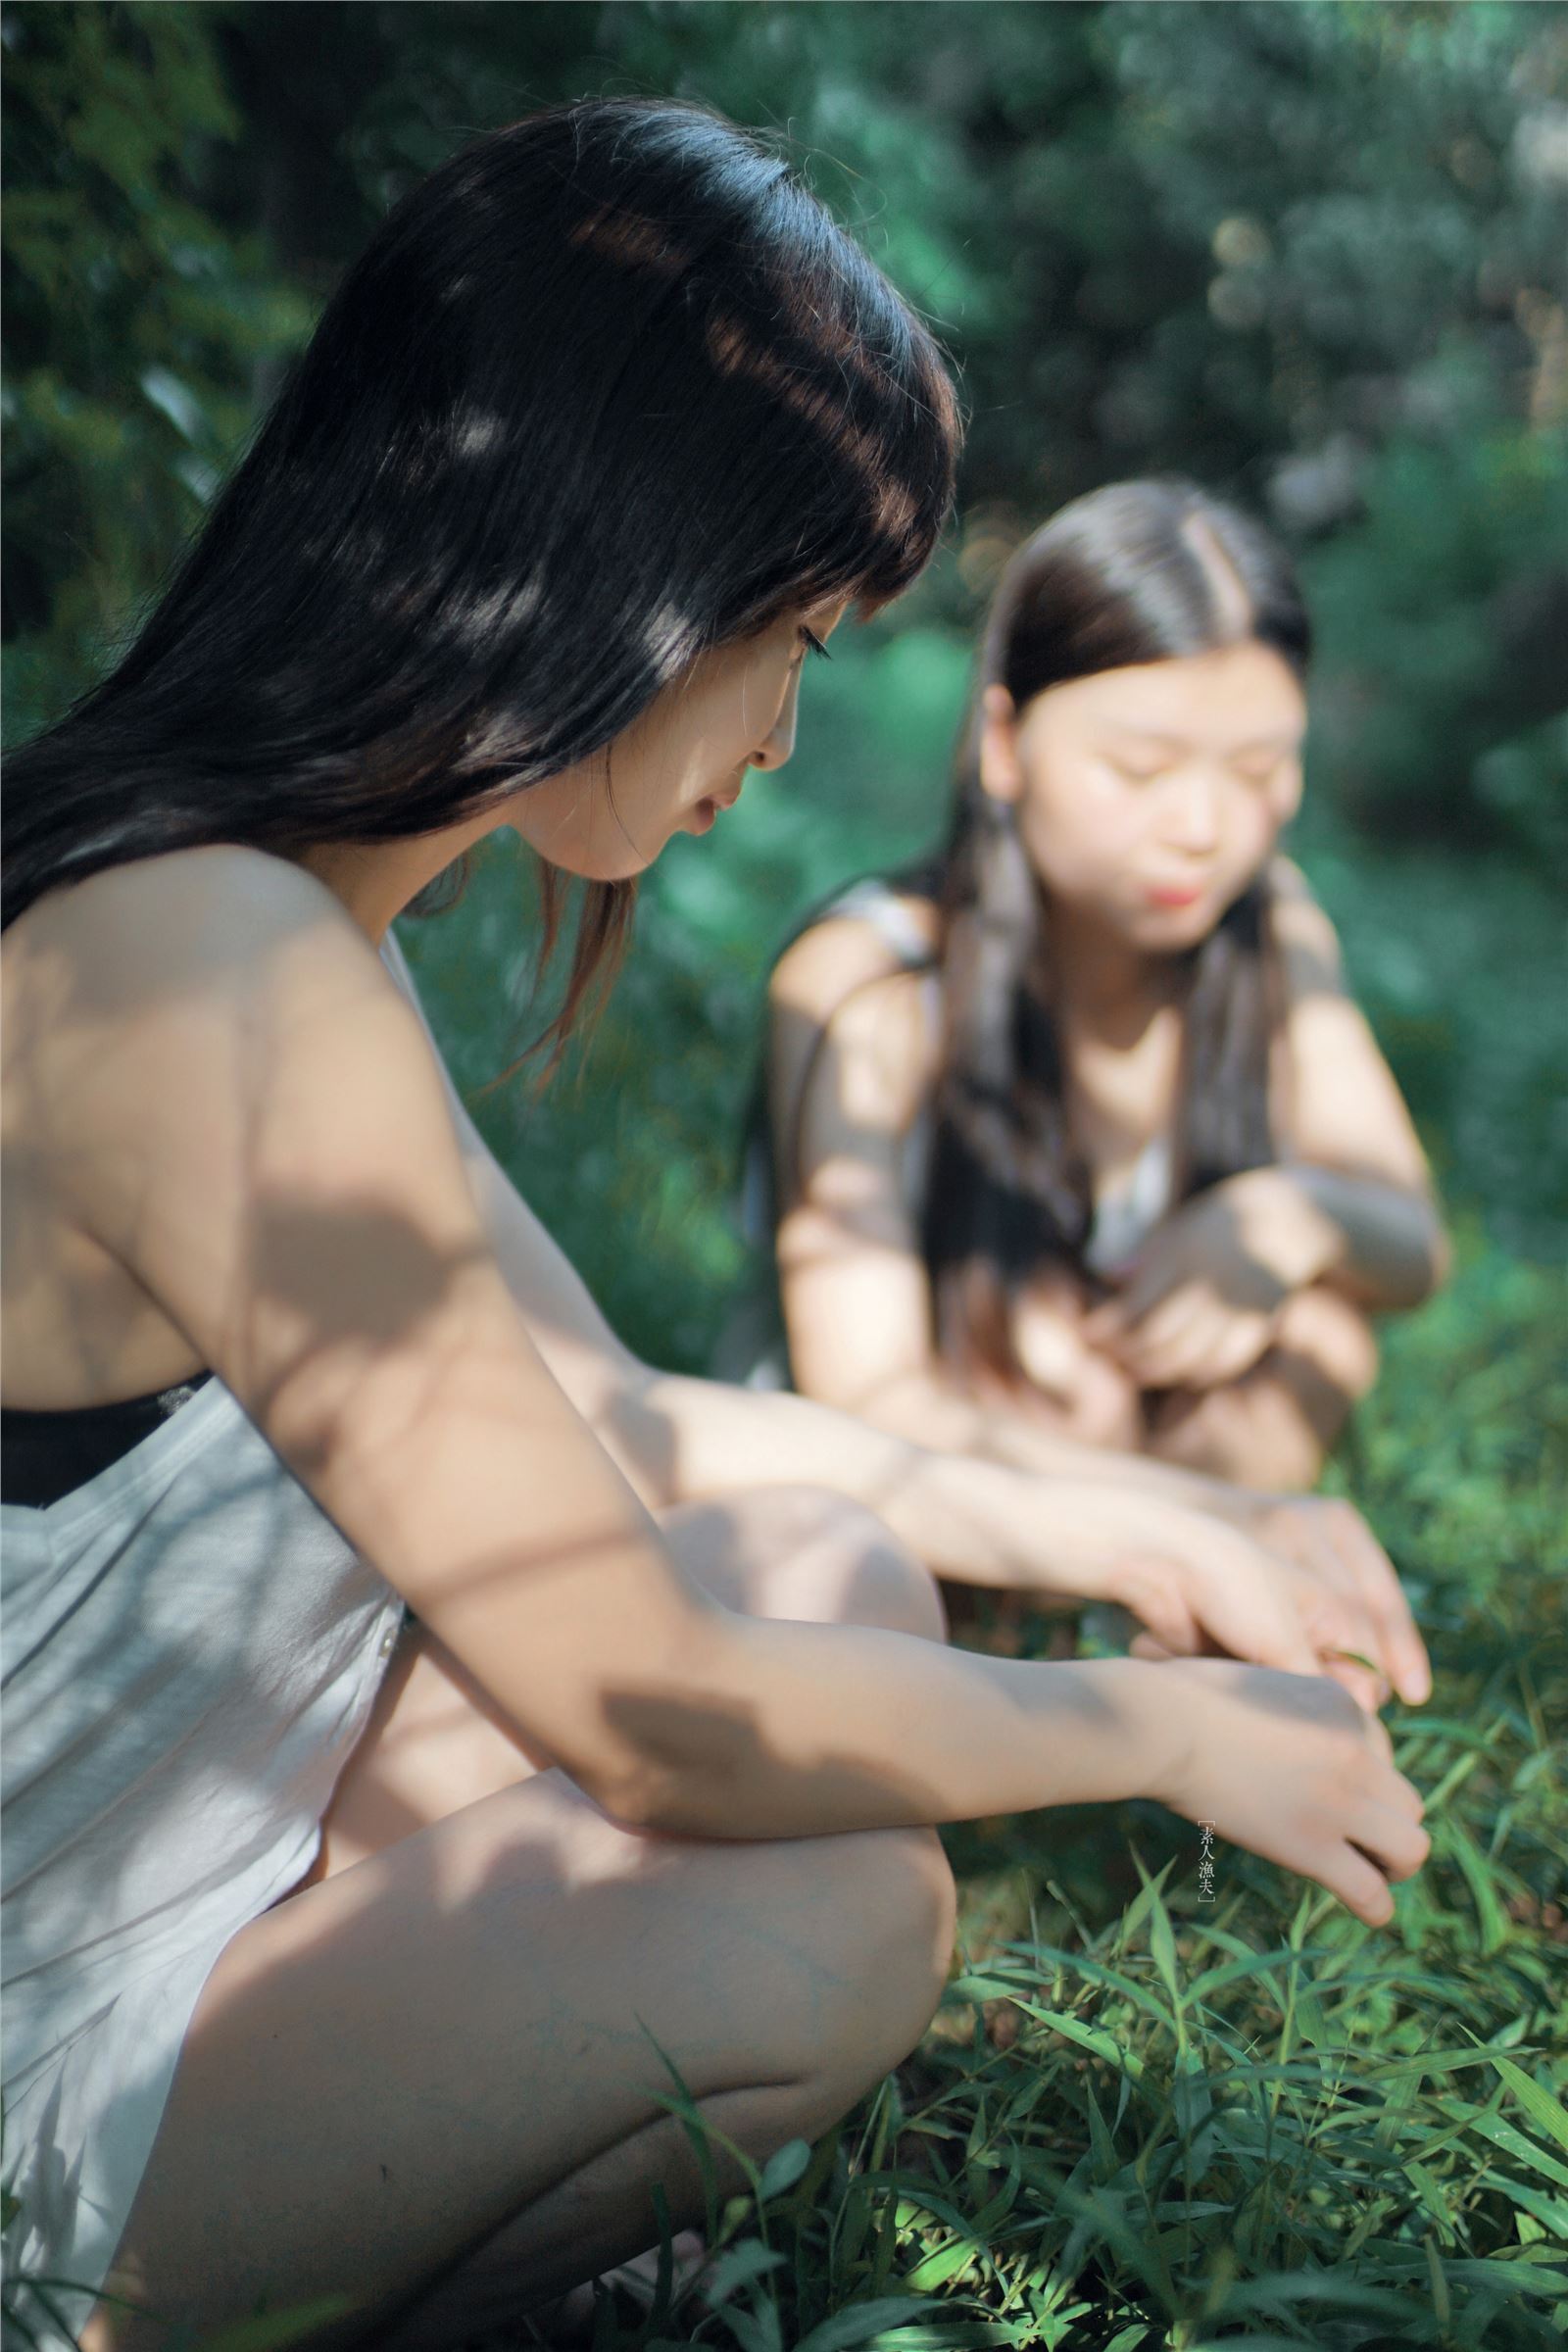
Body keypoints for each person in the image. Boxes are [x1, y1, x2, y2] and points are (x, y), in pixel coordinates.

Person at [1, 108, 1430, 2352]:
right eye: (786, 629)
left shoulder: (274, 929)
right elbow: (653, 1717)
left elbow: (630, 1427)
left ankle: (459, 2185)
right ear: (598, 554)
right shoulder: (207, 975)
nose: (780, 726)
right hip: (33, 2068)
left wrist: (1129, 1513)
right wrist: (1156, 1730)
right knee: (827, 1917)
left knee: (820, 1571)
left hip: (157, 1887)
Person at [765, 480, 1449, 1505]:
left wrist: (1294, 1213)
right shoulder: (871, 975)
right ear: (1004, 745)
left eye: (1259, 768)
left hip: (1150, 1456)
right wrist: (1218, 1525)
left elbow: (1412, 1248)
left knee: (1324, 1332)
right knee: (1042, 1349)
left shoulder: (1271, 928)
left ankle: (1136, 1631)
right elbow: (872, 1399)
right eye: (1140, 768)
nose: (1202, 827)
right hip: (901, 1500)